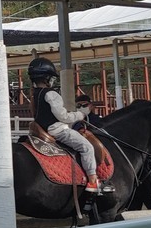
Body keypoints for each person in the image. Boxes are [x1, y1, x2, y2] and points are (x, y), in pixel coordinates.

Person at [28, 58, 113, 195]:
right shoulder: (51, 94)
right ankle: (92, 180)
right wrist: (81, 114)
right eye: (51, 78)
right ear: (46, 78)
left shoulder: (34, 94)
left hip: (43, 129)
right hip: (58, 130)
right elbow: (64, 117)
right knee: (86, 147)